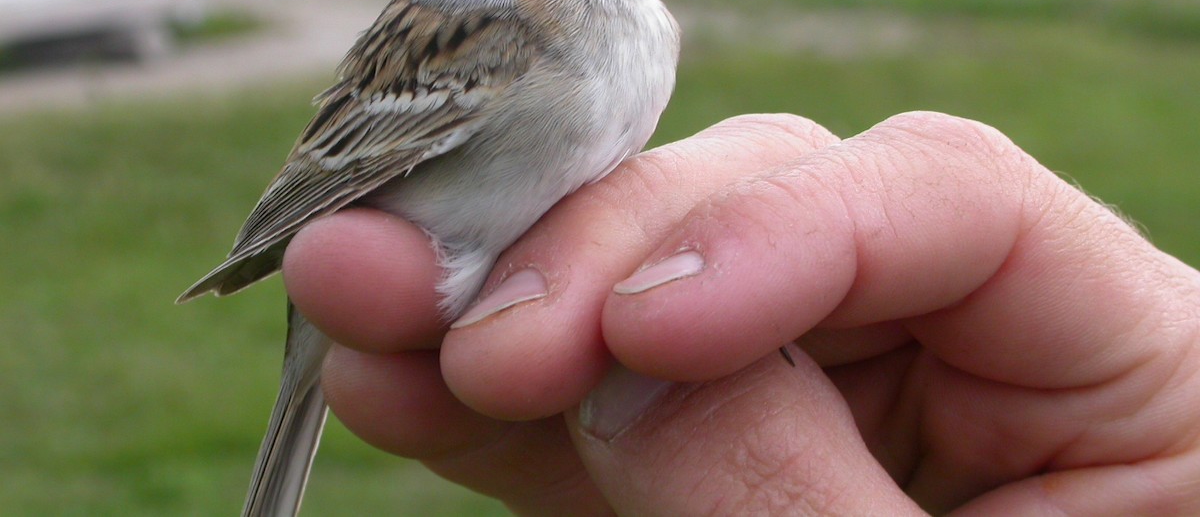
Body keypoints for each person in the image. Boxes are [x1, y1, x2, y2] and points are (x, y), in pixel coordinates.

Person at [283, 111, 1200, 513]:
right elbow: (345, 170)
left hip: (471, 314)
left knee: (598, 306)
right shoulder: (505, 34)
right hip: (391, 245)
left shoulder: (635, 36)